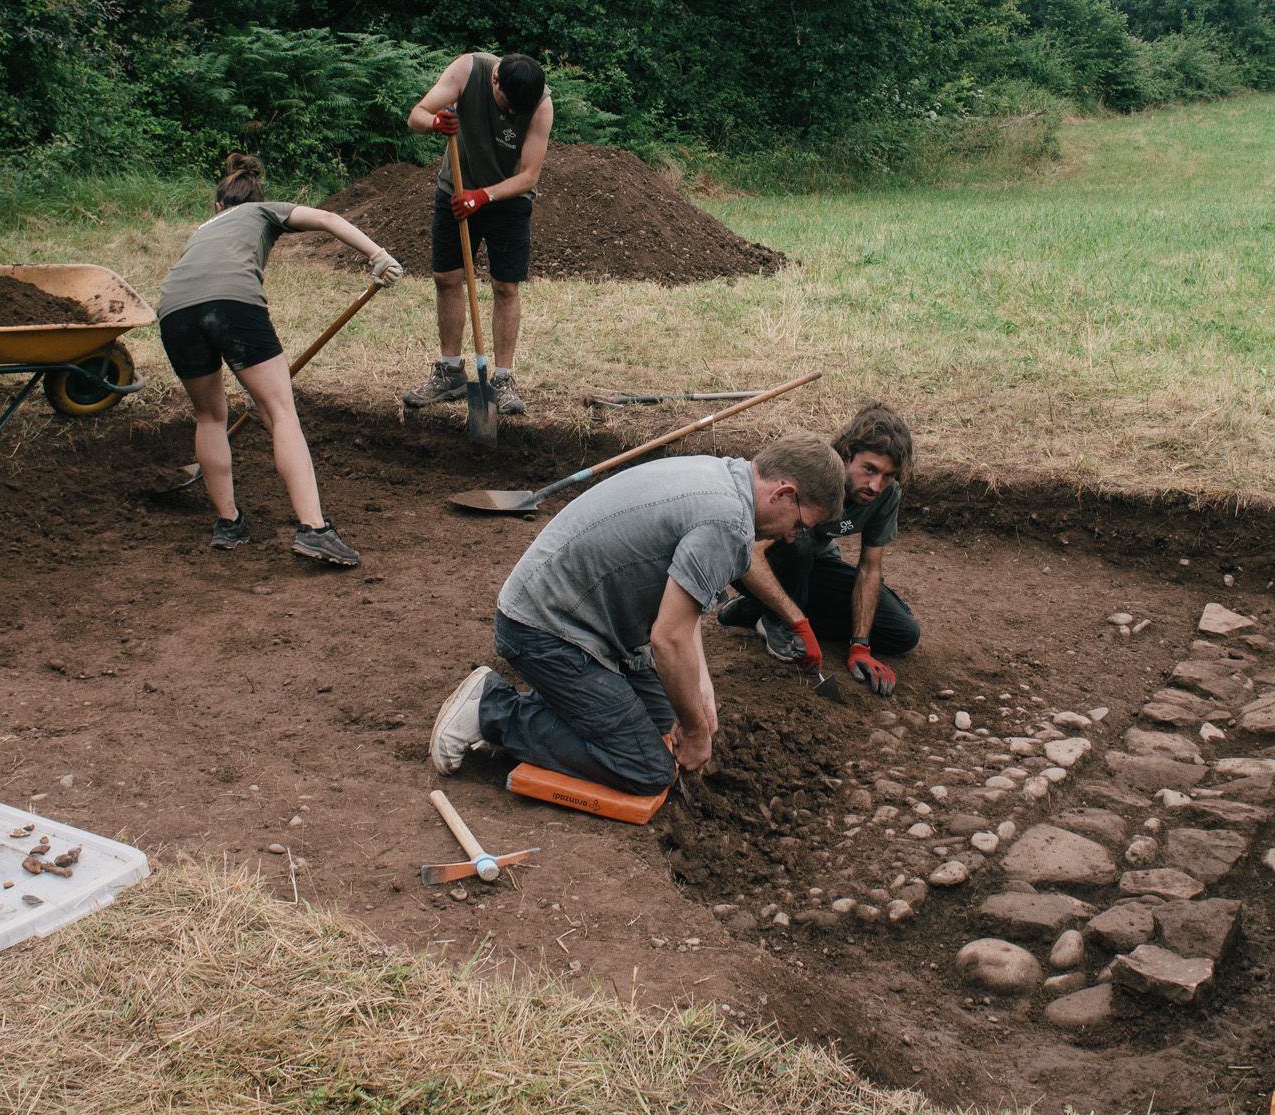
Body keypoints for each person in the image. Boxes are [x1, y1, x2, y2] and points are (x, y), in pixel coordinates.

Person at [428, 435, 846, 794]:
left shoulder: (724, 476)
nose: (795, 537)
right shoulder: (728, 525)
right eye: (802, 524)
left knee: (664, 721)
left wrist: (702, 690)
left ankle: (560, 708)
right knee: (648, 768)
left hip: (581, 620)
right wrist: (698, 733)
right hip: (545, 629)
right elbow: (669, 639)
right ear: (784, 493)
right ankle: (493, 712)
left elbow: (684, 609)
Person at [156, 153, 404, 567]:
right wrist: (378, 255)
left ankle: (228, 524)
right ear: (256, 198)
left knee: (209, 417)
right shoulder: (263, 211)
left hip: (174, 311)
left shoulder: (202, 228)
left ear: (218, 205)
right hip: (233, 303)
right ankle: (314, 530)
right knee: (281, 410)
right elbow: (326, 218)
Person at [719, 404, 921, 696]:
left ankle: (757, 609)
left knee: (902, 632)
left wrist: (860, 645)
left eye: (888, 475)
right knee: (799, 542)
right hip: (750, 559)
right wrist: (796, 623)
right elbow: (749, 552)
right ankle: (777, 619)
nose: (876, 485)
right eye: (870, 470)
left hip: (813, 566)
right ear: (848, 452)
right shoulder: (815, 474)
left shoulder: (886, 495)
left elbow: (869, 568)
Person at [398, 50, 553, 417]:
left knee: (505, 286)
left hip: (506, 198)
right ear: (495, 79)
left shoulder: (540, 105)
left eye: (519, 110)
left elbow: (529, 176)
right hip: (456, 190)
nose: (512, 114)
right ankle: (451, 371)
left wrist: (482, 197)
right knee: (446, 277)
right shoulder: (468, 69)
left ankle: (502, 379)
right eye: (507, 106)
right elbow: (415, 116)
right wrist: (436, 123)